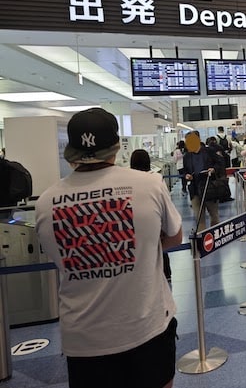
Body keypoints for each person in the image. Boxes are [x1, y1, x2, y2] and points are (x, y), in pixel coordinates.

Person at [34, 107, 182, 388]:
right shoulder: (149, 184)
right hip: (146, 325)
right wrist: (141, 247)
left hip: (83, 338)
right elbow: (174, 237)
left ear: (71, 150)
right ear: (115, 146)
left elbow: (59, 259)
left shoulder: (46, 202)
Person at [130, 149, 173, 283]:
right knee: (160, 248)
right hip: (156, 220)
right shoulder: (156, 179)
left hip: (136, 223)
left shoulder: (129, 181)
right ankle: (166, 274)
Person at [183, 131, 220, 230]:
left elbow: (220, 163)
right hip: (195, 189)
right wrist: (186, 175)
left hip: (209, 187)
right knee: (199, 218)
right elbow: (185, 170)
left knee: (214, 216)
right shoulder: (187, 156)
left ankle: (215, 237)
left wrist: (213, 169)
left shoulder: (209, 151)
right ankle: (203, 240)